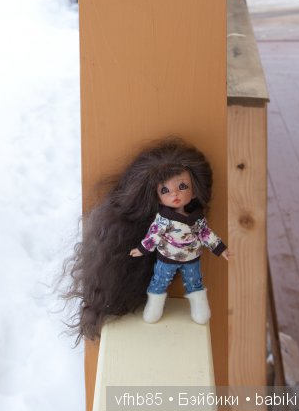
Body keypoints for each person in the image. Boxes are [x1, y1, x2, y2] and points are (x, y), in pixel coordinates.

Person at [62, 138, 231, 341]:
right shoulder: (162, 221)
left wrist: (221, 249)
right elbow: (153, 236)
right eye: (165, 190)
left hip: (191, 259)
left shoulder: (197, 221)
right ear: (157, 197)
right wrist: (141, 249)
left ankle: (199, 307)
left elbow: (207, 235)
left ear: (195, 191)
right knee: (159, 282)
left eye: (183, 186)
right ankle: (154, 308)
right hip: (166, 259)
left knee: (194, 282)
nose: (175, 194)